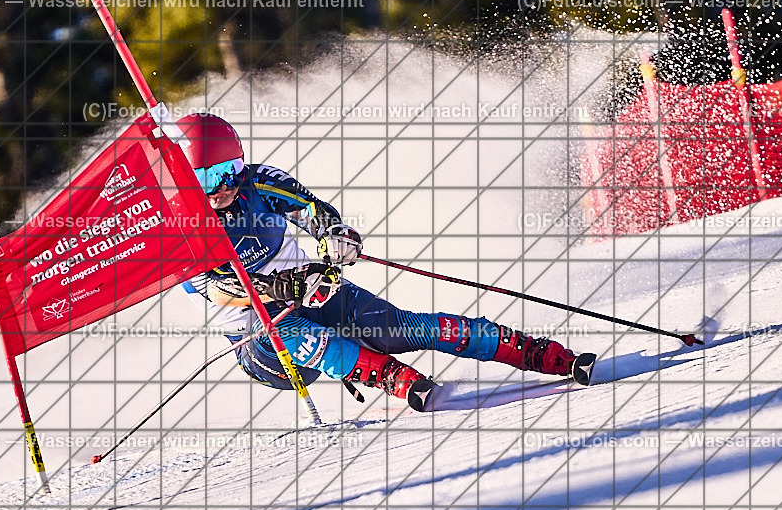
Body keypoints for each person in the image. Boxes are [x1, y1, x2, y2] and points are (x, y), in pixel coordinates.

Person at [179, 113, 596, 411]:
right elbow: (222, 290)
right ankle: (388, 375)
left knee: (398, 328)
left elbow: (311, 211)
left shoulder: (258, 182)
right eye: (203, 181)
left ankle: (534, 352)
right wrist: (285, 286)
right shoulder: (179, 226)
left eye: (227, 172)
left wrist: (335, 235)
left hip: (311, 289)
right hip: (260, 340)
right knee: (286, 331)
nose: (219, 189)